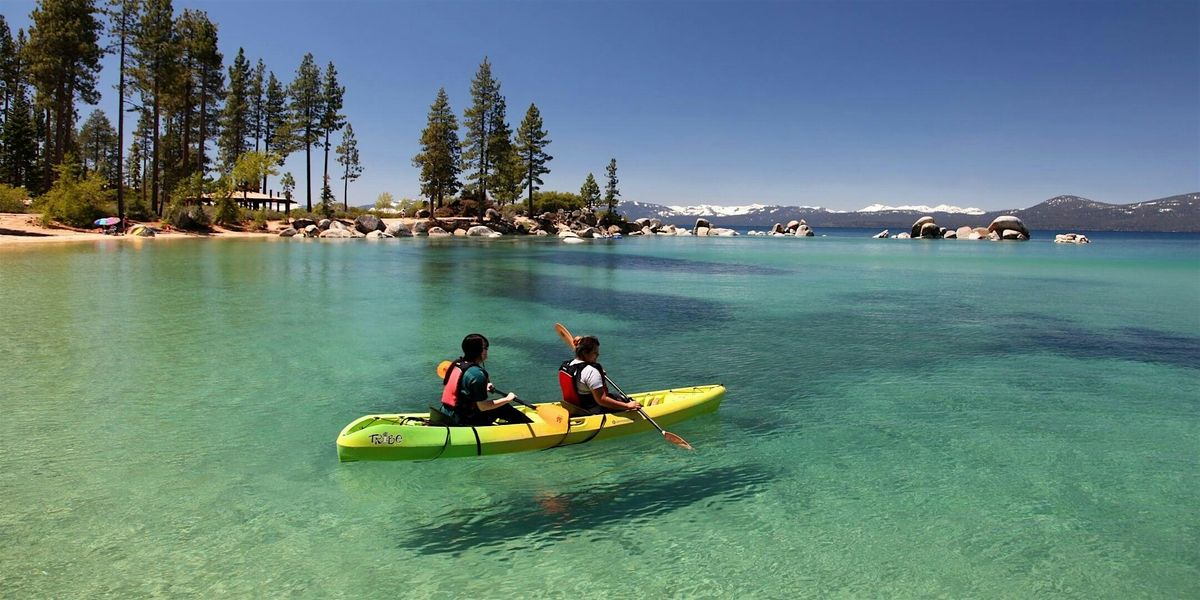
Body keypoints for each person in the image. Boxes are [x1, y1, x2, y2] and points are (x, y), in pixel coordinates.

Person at [438, 333, 533, 426]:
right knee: (503, 407)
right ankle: (530, 427)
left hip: (446, 413)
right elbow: (483, 407)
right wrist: (508, 399)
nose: (487, 351)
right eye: (486, 348)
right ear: (479, 351)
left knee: (498, 405)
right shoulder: (477, 374)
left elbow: (460, 387)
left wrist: (483, 386)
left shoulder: (456, 364)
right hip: (463, 420)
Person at [558, 335, 642, 414]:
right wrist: (627, 406)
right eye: (595, 352)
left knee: (616, 396)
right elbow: (602, 400)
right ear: (585, 353)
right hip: (592, 410)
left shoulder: (568, 366)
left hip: (574, 407)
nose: (598, 354)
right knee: (627, 403)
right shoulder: (591, 372)